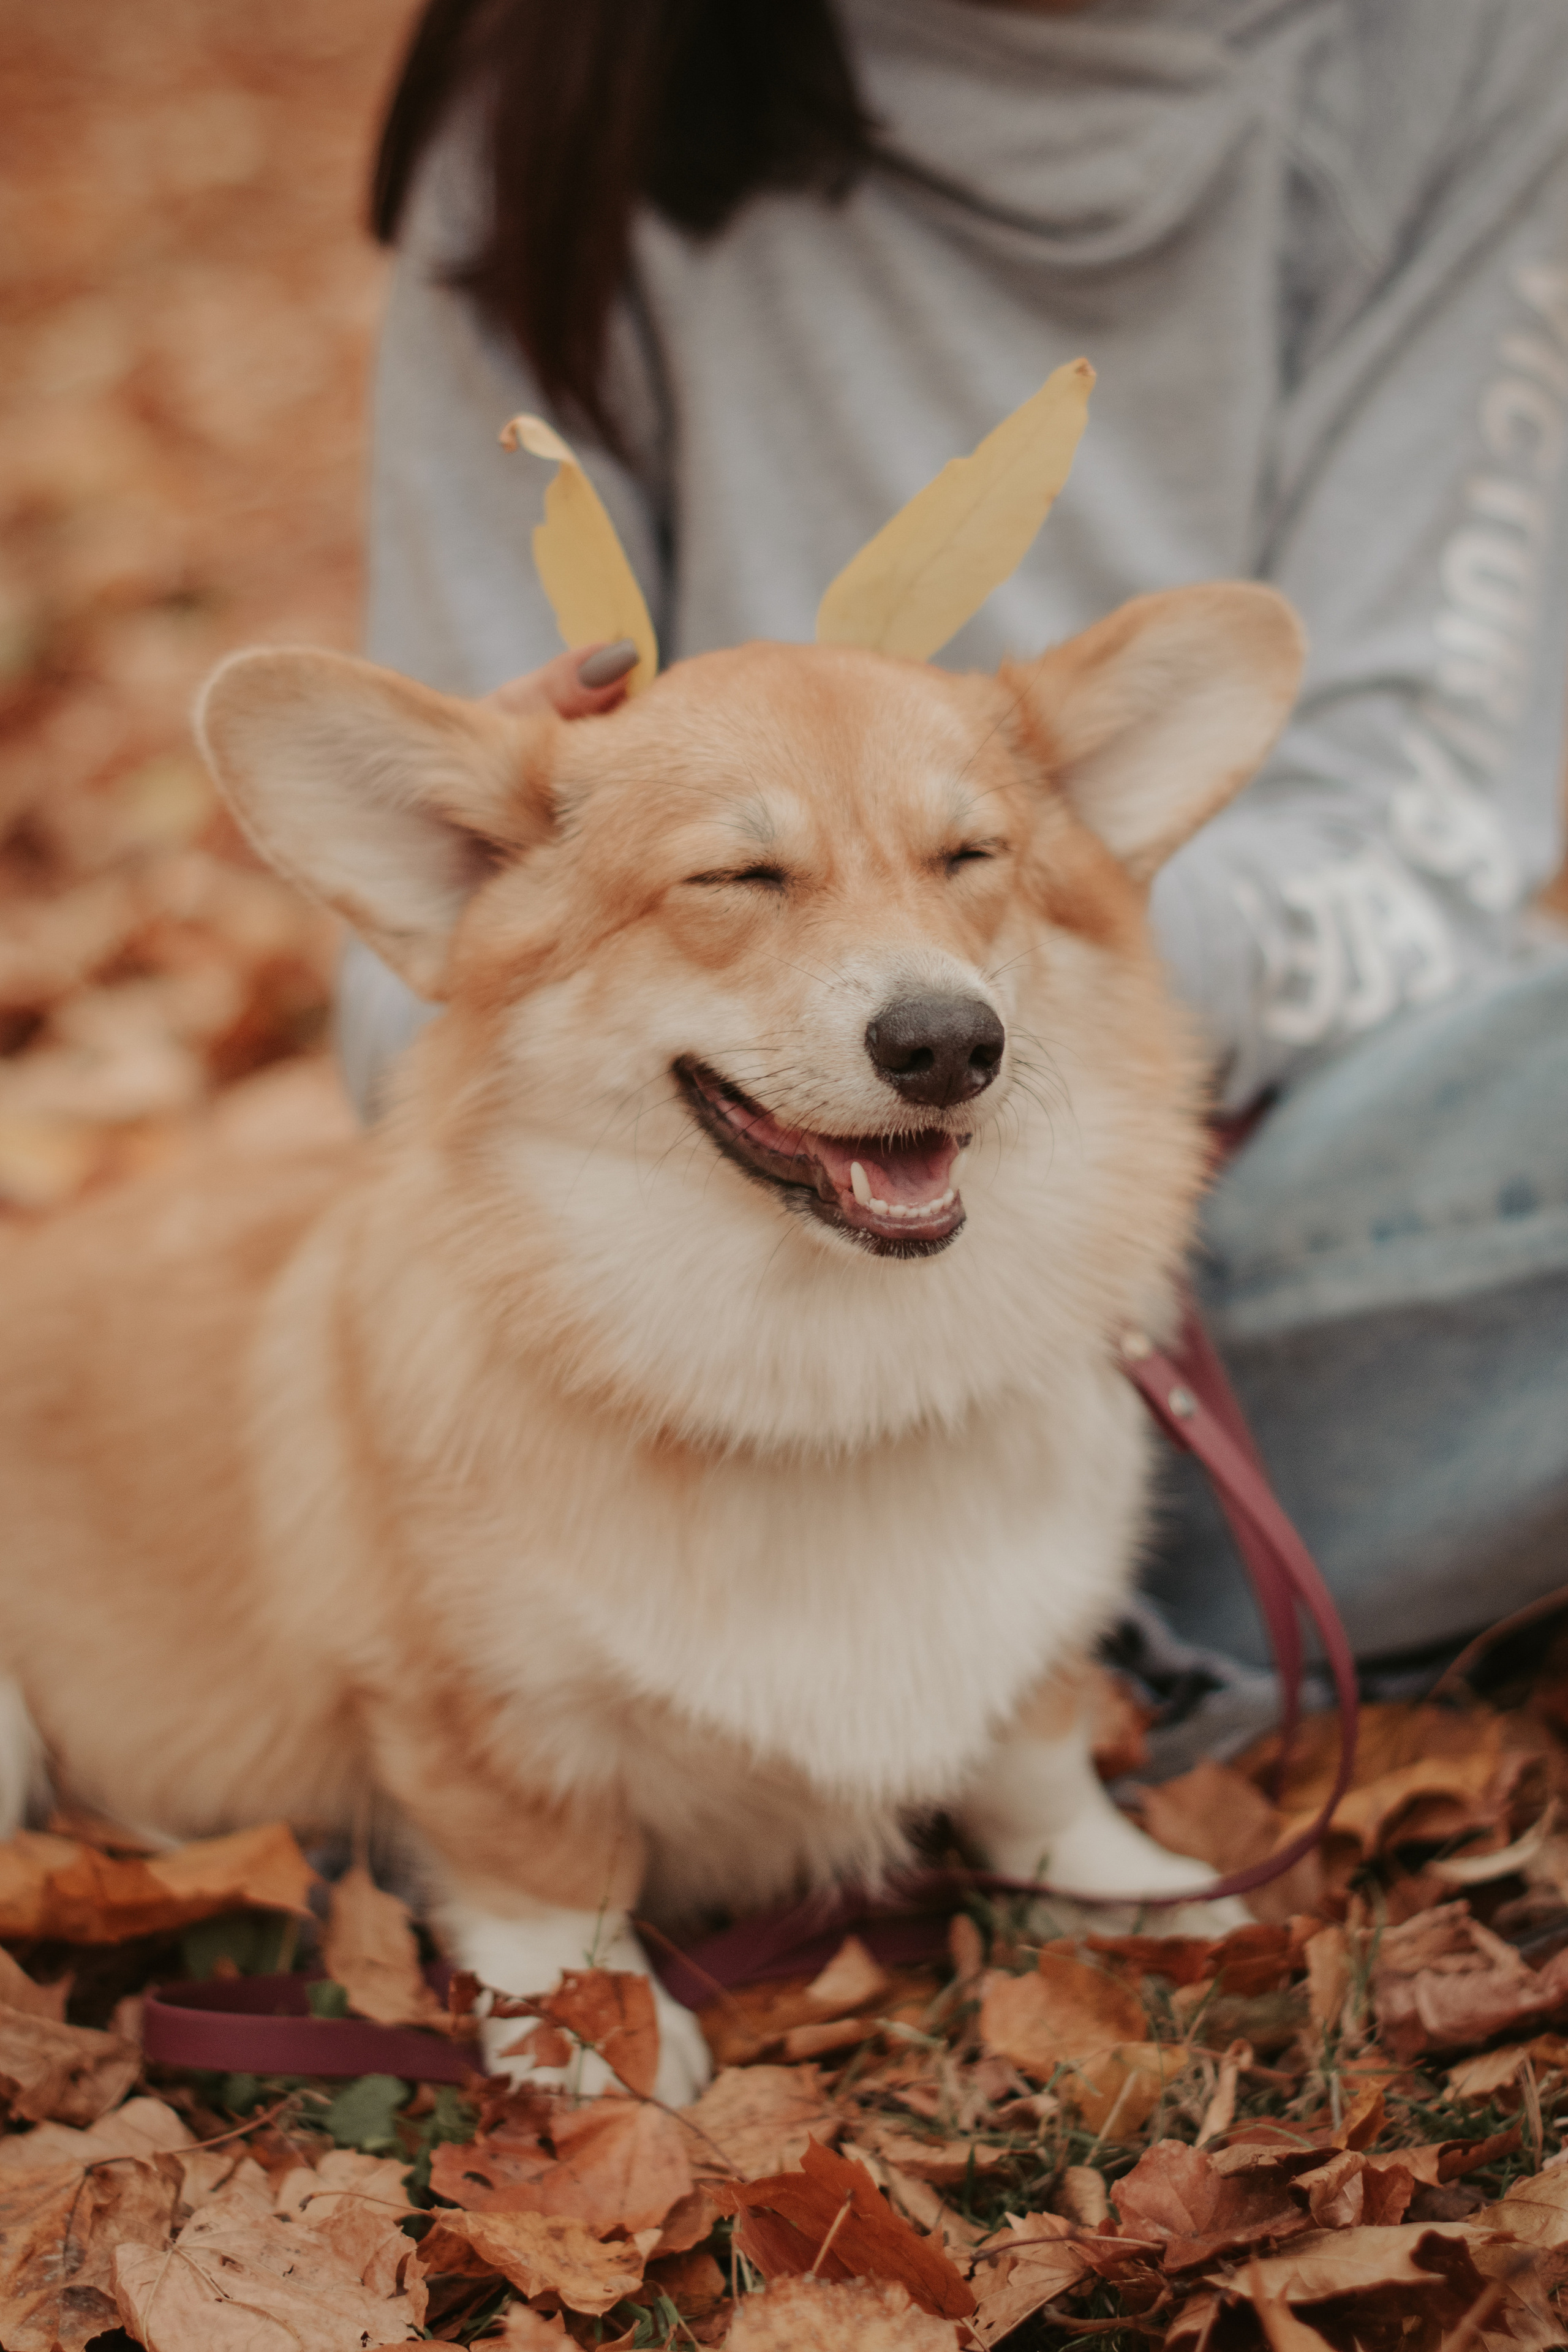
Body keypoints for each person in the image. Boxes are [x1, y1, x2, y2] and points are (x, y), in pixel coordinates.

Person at [344, 0, 1568, 1747]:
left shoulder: (1465, 45)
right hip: (687, 1313)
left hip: (1235, 1197)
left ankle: (1063, 1628)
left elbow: (1421, 852)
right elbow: (416, 1000)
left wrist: (1015, 913)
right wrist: (578, 905)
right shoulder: (558, 76)